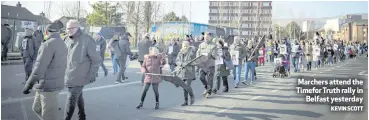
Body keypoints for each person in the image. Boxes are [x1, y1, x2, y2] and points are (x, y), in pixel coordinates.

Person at [22, 20, 67, 120]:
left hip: (48, 86)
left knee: (49, 116)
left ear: (46, 32)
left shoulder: (48, 45)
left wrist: (28, 86)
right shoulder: (62, 43)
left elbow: (38, 69)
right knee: (36, 108)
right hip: (49, 84)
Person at [64, 20, 102, 120]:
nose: (69, 30)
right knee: (78, 97)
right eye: (67, 28)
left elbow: (96, 60)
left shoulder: (87, 40)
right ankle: (82, 117)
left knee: (71, 99)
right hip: (69, 75)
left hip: (80, 76)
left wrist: (91, 74)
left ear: (78, 27)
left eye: (72, 28)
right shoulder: (66, 39)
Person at [196, 32, 217, 98]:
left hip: (210, 65)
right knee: (201, 77)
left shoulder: (214, 45)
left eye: (207, 37)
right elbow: (198, 53)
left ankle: (209, 93)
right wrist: (198, 59)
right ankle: (206, 88)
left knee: (210, 79)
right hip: (202, 65)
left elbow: (214, 55)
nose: (206, 38)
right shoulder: (201, 45)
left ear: (210, 38)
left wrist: (207, 55)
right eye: (205, 37)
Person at [175, 41, 196, 106]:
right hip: (182, 72)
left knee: (186, 85)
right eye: (184, 46)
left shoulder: (192, 53)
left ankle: (192, 96)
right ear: (182, 46)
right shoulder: (180, 53)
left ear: (189, 46)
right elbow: (177, 61)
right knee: (184, 87)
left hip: (189, 72)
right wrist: (181, 64)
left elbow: (193, 61)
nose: (185, 47)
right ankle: (186, 101)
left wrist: (185, 64)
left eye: (187, 46)